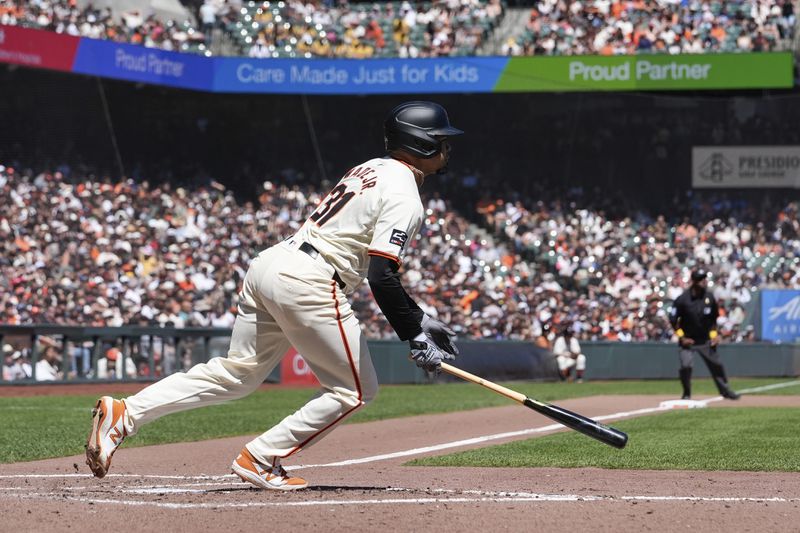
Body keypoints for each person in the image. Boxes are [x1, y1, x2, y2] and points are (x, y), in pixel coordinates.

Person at [85, 101, 463, 490]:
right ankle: (262, 457)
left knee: (239, 374)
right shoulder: (406, 195)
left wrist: (420, 320)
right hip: (310, 278)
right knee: (355, 390)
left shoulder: (371, 167)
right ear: (420, 144)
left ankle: (125, 413)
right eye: (441, 141)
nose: (448, 148)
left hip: (272, 263)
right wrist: (412, 333)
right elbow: (381, 276)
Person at [669, 269, 740, 400]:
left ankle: (725, 391)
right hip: (688, 341)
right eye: (701, 279)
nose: (704, 281)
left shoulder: (709, 297)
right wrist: (682, 337)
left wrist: (714, 336)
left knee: (716, 365)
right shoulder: (683, 299)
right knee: (686, 366)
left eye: (705, 279)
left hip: (705, 340)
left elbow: (713, 320)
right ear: (694, 281)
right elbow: (673, 320)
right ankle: (686, 393)